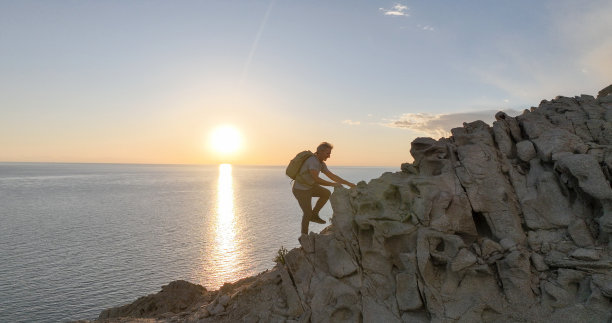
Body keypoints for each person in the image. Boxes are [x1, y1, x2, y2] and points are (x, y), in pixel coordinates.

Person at [292, 142, 356, 234]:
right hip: (300, 190)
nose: (329, 156)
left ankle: (314, 215)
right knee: (307, 213)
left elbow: (331, 175)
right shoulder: (312, 161)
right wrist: (332, 184)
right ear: (321, 152)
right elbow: (316, 179)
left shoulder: (320, 163)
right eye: (327, 153)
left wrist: (349, 184)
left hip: (310, 187)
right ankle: (304, 237)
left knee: (326, 193)